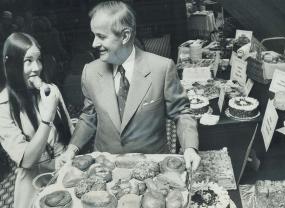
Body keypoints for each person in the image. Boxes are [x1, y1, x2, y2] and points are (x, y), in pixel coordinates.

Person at [59, 1, 201, 170]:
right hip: (105, 168)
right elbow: (89, 117)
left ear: (125, 36)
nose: (94, 44)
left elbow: (181, 113)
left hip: (152, 166)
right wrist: (72, 149)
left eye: (101, 36)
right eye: (94, 35)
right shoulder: (89, 72)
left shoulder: (162, 68)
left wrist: (190, 148)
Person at [0, 32, 74, 208]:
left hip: (64, 175)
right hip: (33, 184)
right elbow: (27, 160)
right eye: (28, 61)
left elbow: (69, 132)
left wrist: (68, 154)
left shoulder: (52, 90)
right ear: (11, 65)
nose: (37, 68)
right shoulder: (3, 106)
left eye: (38, 60)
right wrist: (47, 119)